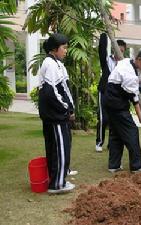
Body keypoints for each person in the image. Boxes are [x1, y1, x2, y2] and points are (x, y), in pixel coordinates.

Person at [104, 48, 141, 172]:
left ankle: (114, 165)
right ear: (139, 59)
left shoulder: (126, 62)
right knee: (132, 131)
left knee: (116, 134)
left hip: (109, 102)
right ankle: (136, 165)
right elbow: (135, 101)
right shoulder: (130, 74)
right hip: (117, 105)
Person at [38, 33, 75, 193]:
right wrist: (66, 109)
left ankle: (60, 175)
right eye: (64, 48)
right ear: (54, 49)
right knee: (60, 148)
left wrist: (70, 108)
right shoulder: (51, 64)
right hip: (56, 116)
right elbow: (50, 92)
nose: (66, 51)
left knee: (59, 147)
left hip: (58, 114)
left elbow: (63, 88)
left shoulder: (56, 63)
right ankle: (57, 184)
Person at [96, 33, 127, 152]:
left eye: (122, 50)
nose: (119, 52)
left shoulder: (124, 64)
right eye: (118, 49)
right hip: (103, 91)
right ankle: (99, 142)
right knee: (103, 118)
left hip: (116, 96)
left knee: (114, 120)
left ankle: (111, 144)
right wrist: (104, 34)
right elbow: (101, 50)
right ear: (114, 49)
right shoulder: (107, 60)